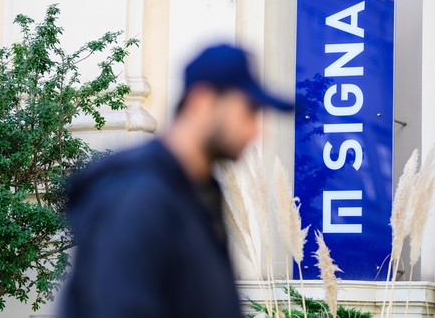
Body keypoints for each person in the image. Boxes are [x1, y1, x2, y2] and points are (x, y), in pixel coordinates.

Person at [59, 44, 294, 317]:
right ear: (202, 101)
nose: (257, 131)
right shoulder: (138, 195)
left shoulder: (197, 194)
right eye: (248, 112)